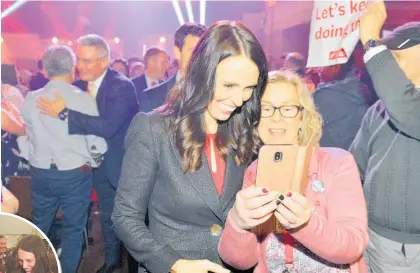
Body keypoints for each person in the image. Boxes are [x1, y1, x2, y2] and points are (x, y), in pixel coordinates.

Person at [112, 20, 268, 273]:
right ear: (201, 72)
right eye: (228, 85)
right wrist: (173, 264)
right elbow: (125, 218)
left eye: (249, 88)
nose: (239, 99)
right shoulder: (154, 129)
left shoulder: (244, 129)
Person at [218, 70, 368, 272]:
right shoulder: (253, 172)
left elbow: (353, 245)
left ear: (302, 117)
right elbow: (241, 261)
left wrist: (305, 224)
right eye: (266, 108)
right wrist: (238, 223)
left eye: (288, 109)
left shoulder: (337, 162)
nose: (276, 118)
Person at [35, 34, 138, 273]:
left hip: (118, 168)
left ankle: (121, 266)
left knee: (122, 222)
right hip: (89, 167)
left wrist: (64, 113)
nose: (80, 65)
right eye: (79, 60)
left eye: (87, 60)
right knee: (102, 221)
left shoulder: (121, 86)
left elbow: (107, 126)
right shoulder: (80, 86)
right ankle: (106, 263)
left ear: (104, 61)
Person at [349, 1, 420, 272]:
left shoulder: (403, 106)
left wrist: (370, 39)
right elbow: (356, 167)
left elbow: (408, 110)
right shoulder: (378, 109)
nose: (387, 60)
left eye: (396, 55)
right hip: (376, 239)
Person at [139, 23, 206, 112]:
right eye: (192, 50)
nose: (198, 56)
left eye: (203, 51)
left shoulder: (216, 93)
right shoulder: (152, 97)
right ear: (177, 52)